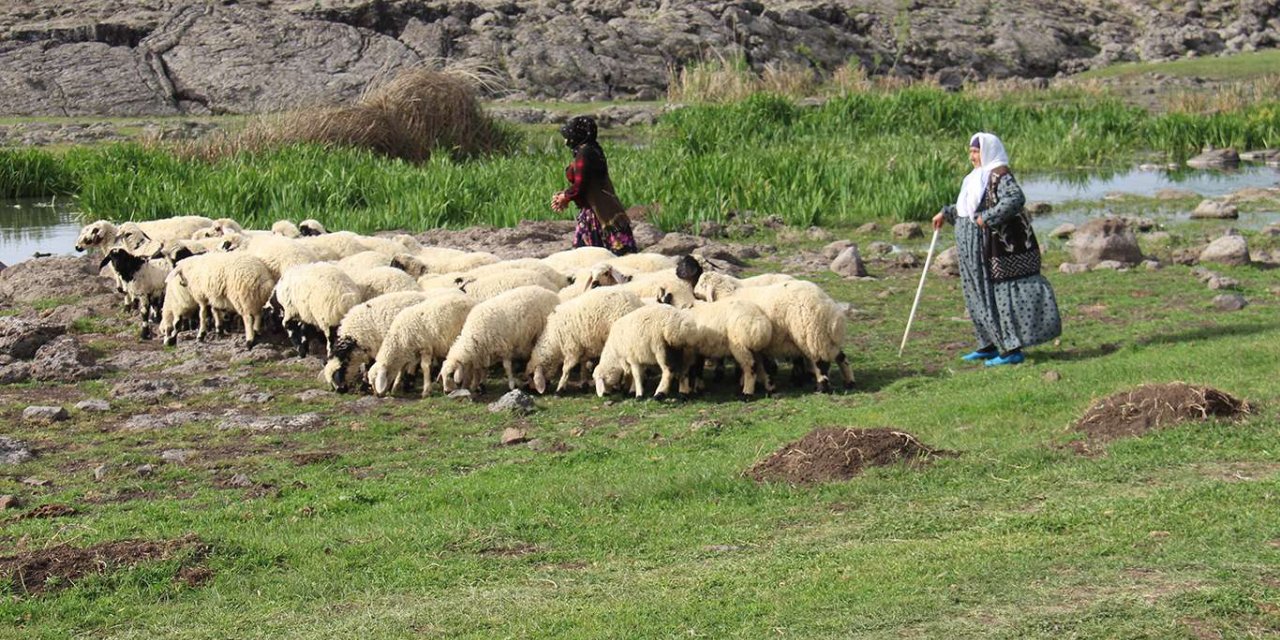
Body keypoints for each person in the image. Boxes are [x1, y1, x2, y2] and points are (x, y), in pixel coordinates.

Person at [932, 132, 1061, 366]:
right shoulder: (975, 177)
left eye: (976, 151)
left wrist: (987, 218)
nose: (972, 157)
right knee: (974, 294)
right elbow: (968, 208)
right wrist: (946, 212)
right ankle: (988, 345)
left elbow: (1014, 199)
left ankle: (1010, 349)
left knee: (991, 295)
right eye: (970, 152)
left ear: (988, 151)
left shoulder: (999, 174)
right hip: (968, 244)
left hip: (988, 245)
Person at [551, 116, 637, 255]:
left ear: (578, 135)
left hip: (596, 211)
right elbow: (590, 182)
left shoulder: (584, 153)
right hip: (603, 206)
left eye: (569, 136)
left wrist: (565, 197)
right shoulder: (594, 149)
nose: (566, 141)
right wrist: (566, 195)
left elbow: (581, 184)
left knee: (590, 255)